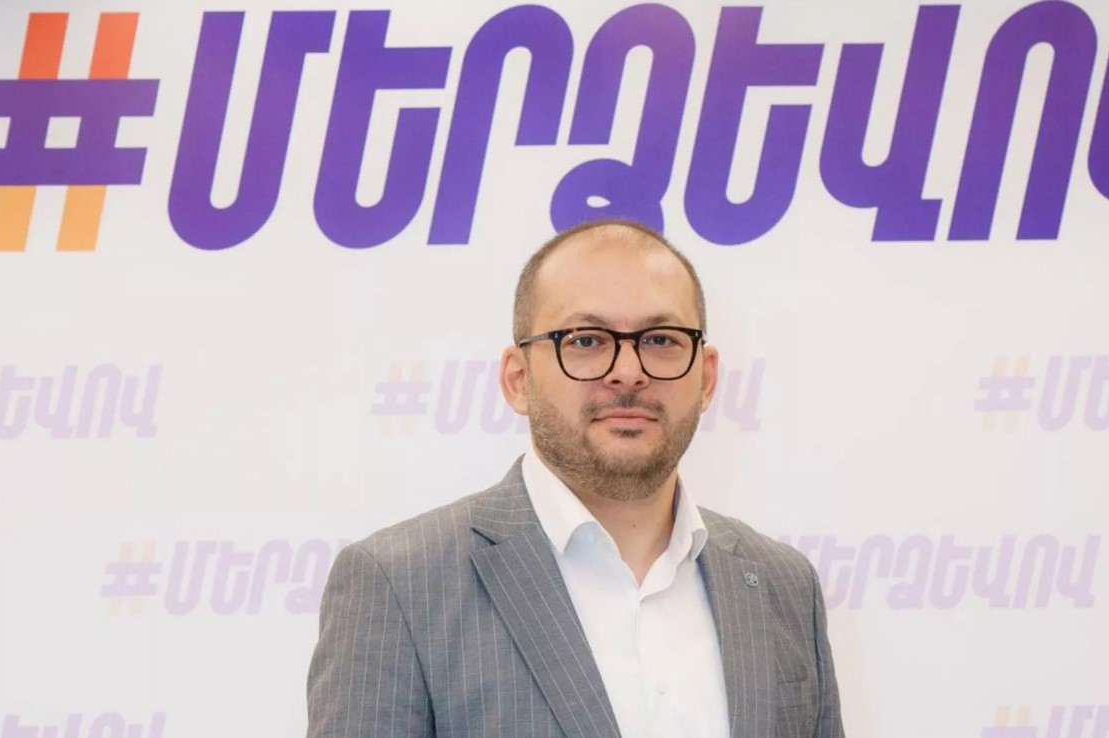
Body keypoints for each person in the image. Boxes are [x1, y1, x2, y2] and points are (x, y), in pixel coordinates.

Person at [306, 219, 844, 737]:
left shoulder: (784, 586)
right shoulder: (400, 584)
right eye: (586, 340)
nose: (629, 371)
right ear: (518, 379)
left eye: (661, 339)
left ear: (706, 378)